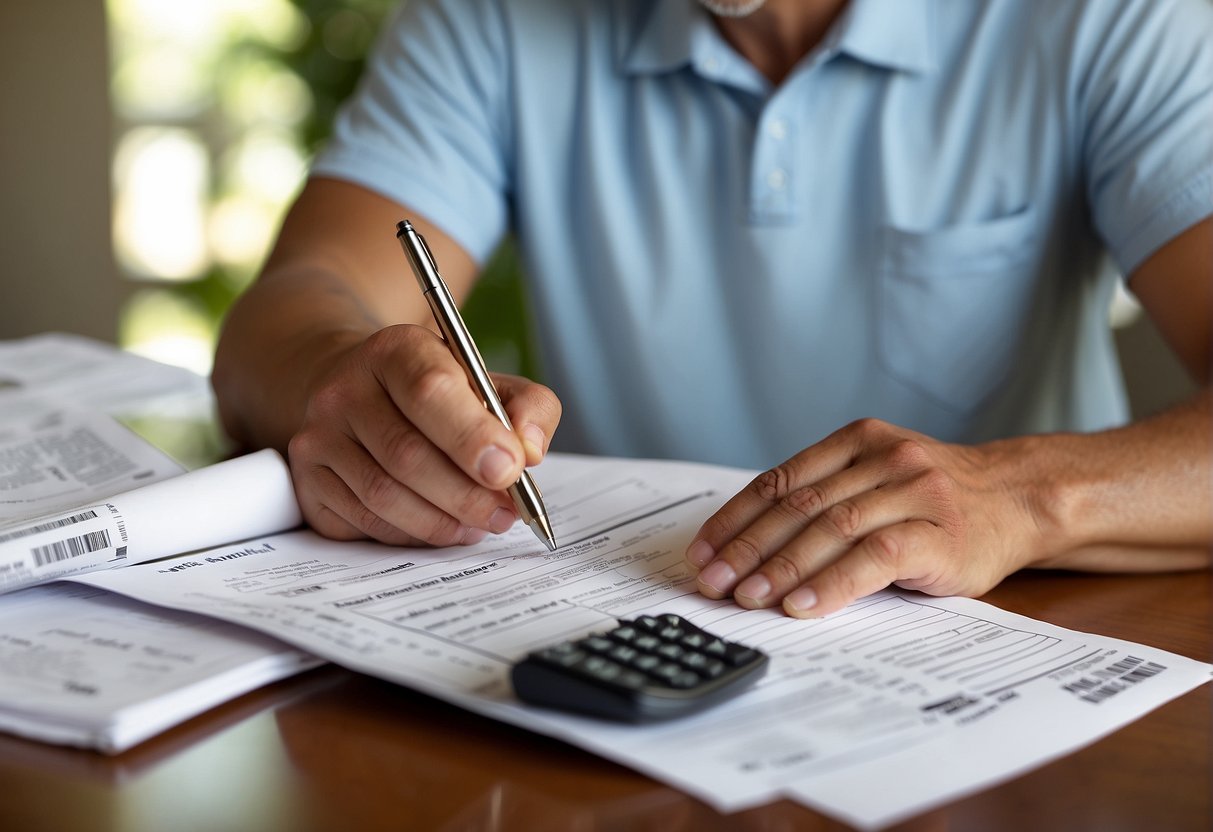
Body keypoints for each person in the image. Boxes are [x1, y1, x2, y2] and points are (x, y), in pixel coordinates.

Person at [213, 0, 1213, 619]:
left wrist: (1022, 496)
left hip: (1009, 660)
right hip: (625, 632)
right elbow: (290, 311)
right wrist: (346, 386)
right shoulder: (492, 18)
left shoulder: (1109, 15)